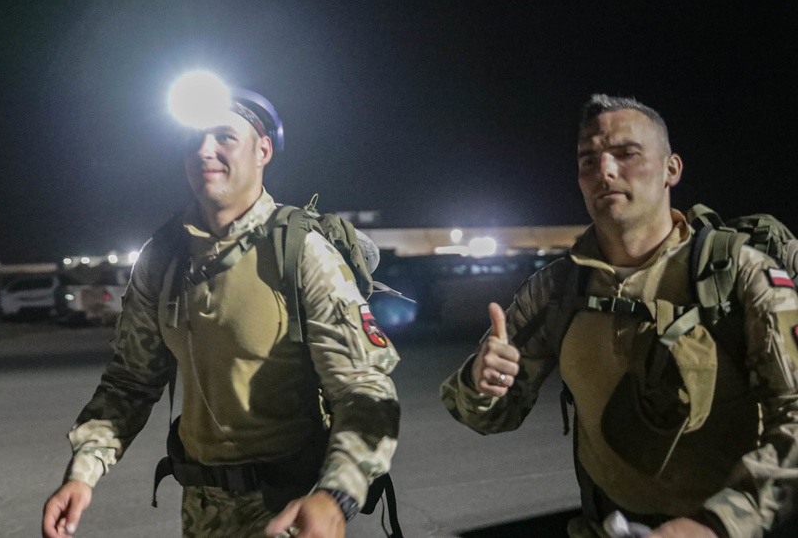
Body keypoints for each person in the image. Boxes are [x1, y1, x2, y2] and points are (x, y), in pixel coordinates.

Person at [42, 75, 400, 538]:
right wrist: (83, 472)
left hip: (289, 510)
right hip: (200, 511)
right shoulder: (163, 257)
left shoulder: (301, 253)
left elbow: (365, 388)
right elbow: (130, 381)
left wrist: (335, 495)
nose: (205, 150)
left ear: (262, 151)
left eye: (225, 137)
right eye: (194, 139)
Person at [440, 94, 798, 538]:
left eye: (626, 154)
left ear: (672, 169)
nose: (604, 172)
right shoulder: (556, 289)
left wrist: (719, 524)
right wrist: (481, 381)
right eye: (588, 160)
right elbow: (485, 416)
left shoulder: (739, 275)